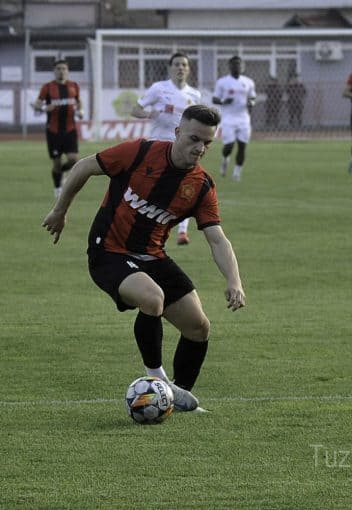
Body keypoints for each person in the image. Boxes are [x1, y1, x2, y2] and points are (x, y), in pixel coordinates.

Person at [42, 105, 246, 413]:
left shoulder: (200, 186)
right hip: (107, 252)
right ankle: (158, 380)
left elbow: (217, 238)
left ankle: (177, 399)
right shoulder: (139, 152)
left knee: (198, 327)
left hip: (152, 256)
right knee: (153, 298)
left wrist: (234, 281)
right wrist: (60, 210)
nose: (200, 148)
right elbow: (84, 166)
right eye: (194, 139)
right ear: (177, 133)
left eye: (207, 143)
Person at [131, 52, 202, 246]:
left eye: (184, 65)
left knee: (185, 187)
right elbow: (135, 110)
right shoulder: (159, 89)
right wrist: (148, 113)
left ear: (188, 70)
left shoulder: (194, 95)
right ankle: (143, 227)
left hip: (182, 148)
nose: (180, 68)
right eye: (177, 64)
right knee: (153, 189)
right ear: (170, 68)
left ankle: (182, 232)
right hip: (157, 146)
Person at [32, 59, 84, 198]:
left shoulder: (74, 86)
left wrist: (80, 111)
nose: (61, 71)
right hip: (53, 131)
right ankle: (57, 188)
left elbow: (79, 102)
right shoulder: (48, 87)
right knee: (56, 162)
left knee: (74, 159)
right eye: (59, 68)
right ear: (54, 71)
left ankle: (61, 174)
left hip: (70, 129)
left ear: (68, 71)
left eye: (64, 68)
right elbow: (36, 104)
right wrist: (44, 108)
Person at [212, 56, 257, 182]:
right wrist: (223, 101)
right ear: (230, 66)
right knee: (229, 146)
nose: (237, 67)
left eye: (240, 64)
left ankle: (237, 172)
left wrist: (251, 103)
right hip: (228, 118)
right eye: (235, 64)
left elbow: (252, 97)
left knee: (242, 146)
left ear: (243, 66)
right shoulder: (222, 82)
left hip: (243, 118)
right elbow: (214, 98)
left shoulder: (248, 82)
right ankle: (225, 159)